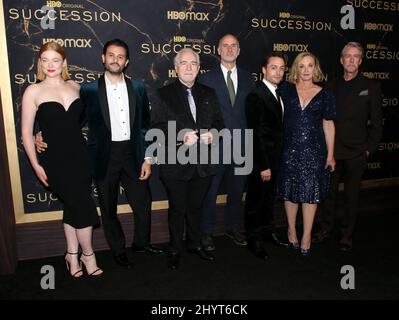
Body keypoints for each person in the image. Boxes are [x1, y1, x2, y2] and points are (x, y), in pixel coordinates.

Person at [36, 39, 164, 268]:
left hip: (134, 153)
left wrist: (148, 157)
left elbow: (146, 125)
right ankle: (117, 249)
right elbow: (71, 120)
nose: (116, 59)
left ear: (127, 62)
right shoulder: (89, 90)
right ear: (103, 58)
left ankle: (142, 243)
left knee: (143, 202)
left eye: (120, 56)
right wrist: (41, 132)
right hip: (104, 156)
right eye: (111, 55)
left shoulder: (139, 89)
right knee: (108, 205)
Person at [21, 41, 103, 277]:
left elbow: (84, 122)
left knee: (73, 206)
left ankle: (71, 255)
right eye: (45, 60)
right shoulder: (33, 91)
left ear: (64, 63)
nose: (50, 65)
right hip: (54, 160)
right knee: (82, 205)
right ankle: (89, 256)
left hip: (80, 156)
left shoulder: (76, 87)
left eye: (55, 60)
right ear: (40, 63)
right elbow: (26, 132)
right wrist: (35, 164)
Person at [151, 48, 225, 270]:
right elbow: (156, 128)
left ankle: (194, 245)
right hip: (175, 164)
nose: (189, 67)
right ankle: (174, 249)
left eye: (194, 63)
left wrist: (215, 133)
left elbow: (219, 124)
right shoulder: (163, 94)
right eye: (184, 63)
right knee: (177, 209)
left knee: (196, 207)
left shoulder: (209, 93)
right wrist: (181, 136)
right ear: (176, 68)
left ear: (199, 68)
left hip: (203, 164)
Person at [312, 42, 383, 251]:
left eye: (356, 57)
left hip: (356, 153)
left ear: (360, 61)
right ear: (341, 60)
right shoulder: (330, 86)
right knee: (329, 194)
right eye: (347, 56)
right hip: (332, 151)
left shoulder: (371, 87)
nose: (351, 60)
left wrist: (368, 149)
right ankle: (326, 228)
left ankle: (346, 235)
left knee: (352, 196)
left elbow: (377, 124)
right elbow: (324, 119)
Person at [198, 34, 255, 251]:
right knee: (209, 193)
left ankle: (234, 227)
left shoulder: (249, 79)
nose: (230, 49)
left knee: (237, 191)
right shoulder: (205, 79)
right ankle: (206, 232)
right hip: (214, 148)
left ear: (239, 51)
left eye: (234, 46)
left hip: (242, 146)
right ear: (218, 50)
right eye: (225, 46)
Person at [277, 52, 336, 256]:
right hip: (289, 150)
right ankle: (292, 230)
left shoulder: (325, 95)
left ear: (315, 69)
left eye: (310, 66)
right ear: (296, 69)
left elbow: (328, 125)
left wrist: (330, 155)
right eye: (301, 66)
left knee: (310, 195)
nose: (305, 70)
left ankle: (307, 235)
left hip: (315, 152)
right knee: (290, 193)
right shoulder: (286, 90)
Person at [244, 52, 289, 260]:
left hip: (275, 159)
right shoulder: (256, 95)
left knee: (269, 200)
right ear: (263, 70)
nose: (278, 72)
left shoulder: (277, 93)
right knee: (255, 202)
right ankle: (253, 241)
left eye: (281, 68)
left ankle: (267, 232)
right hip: (261, 162)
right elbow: (255, 134)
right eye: (273, 67)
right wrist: (263, 166)